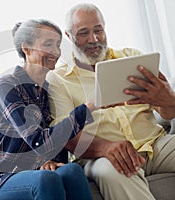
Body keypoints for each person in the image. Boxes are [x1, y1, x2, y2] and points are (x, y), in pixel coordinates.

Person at [47, 3, 175, 200]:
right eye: (83, 33)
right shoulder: (59, 79)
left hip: (154, 144)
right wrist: (104, 147)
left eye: (98, 30)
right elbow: (64, 135)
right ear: (68, 35)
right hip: (100, 156)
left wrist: (169, 100)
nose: (94, 39)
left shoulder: (132, 57)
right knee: (113, 170)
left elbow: (167, 113)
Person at [0, 19, 95, 200]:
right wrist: (87, 109)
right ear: (26, 48)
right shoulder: (8, 86)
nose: (56, 52)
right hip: (6, 178)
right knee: (46, 179)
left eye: (58, 45)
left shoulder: (51, 89)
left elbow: (56, 135)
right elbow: (36, 141)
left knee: (72, 171)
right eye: (48, 44)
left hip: (42, 171)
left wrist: (50, 162)